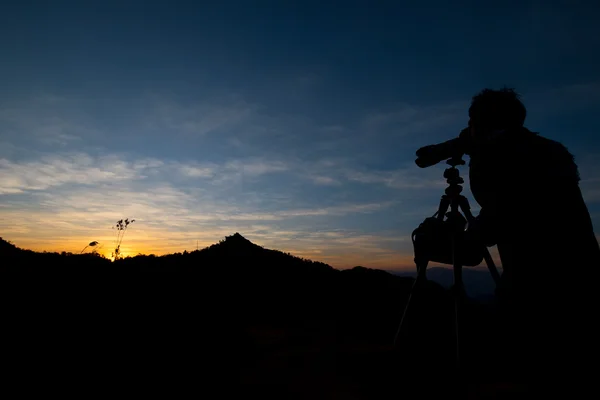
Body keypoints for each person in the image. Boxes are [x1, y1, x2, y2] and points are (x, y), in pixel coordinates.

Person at [459, 88, 600, 389]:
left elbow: (493, 220)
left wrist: (480, 158)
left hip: (535, 288)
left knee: (534, 370)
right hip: (585, 279)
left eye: (472, 121)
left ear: (484, 123)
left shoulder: (505, 156)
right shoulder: (547, 150)